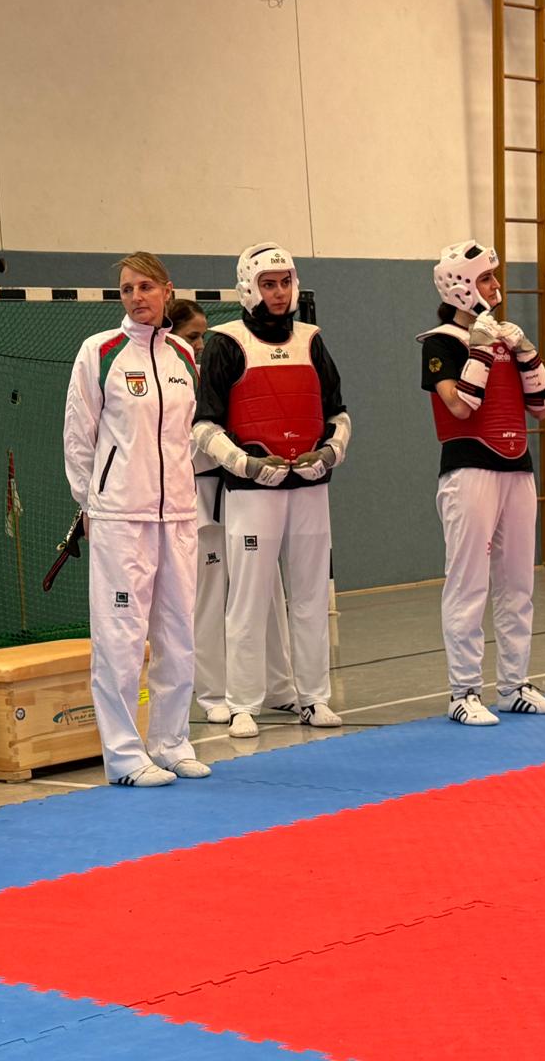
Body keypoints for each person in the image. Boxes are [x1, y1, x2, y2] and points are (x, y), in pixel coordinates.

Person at [192, 243, 349, 740]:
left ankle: (314, 697)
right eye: (268, 284)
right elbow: (204, 426)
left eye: (285, 282)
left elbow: (338, 414)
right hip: (251, 492)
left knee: (310, 595)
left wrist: (330, 453)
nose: (279, 293)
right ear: (248, 287)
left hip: (310, 488)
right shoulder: (226, 342)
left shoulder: (312, 340)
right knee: (249, 598)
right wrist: (247, 464)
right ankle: (242, 704)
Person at [63, 254, 208, 786]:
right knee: (121, 638)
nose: (136, 297)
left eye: (145, 287)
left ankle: (171, 742)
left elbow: (185, 437)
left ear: (168, 291)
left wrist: (185, 497)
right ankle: (124, 755)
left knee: (179, 634)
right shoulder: (99, 352)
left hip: (179, 517)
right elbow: (78, 435)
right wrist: (93, 503)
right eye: (127, 289)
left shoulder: (183, 357)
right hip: (121, 518)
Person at [418, 240, 545, 726]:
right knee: (469, 583)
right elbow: (460, 406)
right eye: (486, 278)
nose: (496, 285)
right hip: (469, 470)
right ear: (461, 286)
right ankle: (463, 691)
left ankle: (515, 685)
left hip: (517, 468)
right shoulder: (440, 343)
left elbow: (542, 408)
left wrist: (526, 353)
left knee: (518, 582)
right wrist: (482, 349)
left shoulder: (506, 337)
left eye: (494, 276)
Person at [168, 299, 296, 726]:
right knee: (209, 596)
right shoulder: (171, 381)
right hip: (201, 494)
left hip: (245, 489)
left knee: (267, 585)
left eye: (203, 336)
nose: (200, 344)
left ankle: (279, 685)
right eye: (192, 336)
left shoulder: (217, 371)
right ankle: (212, 692)